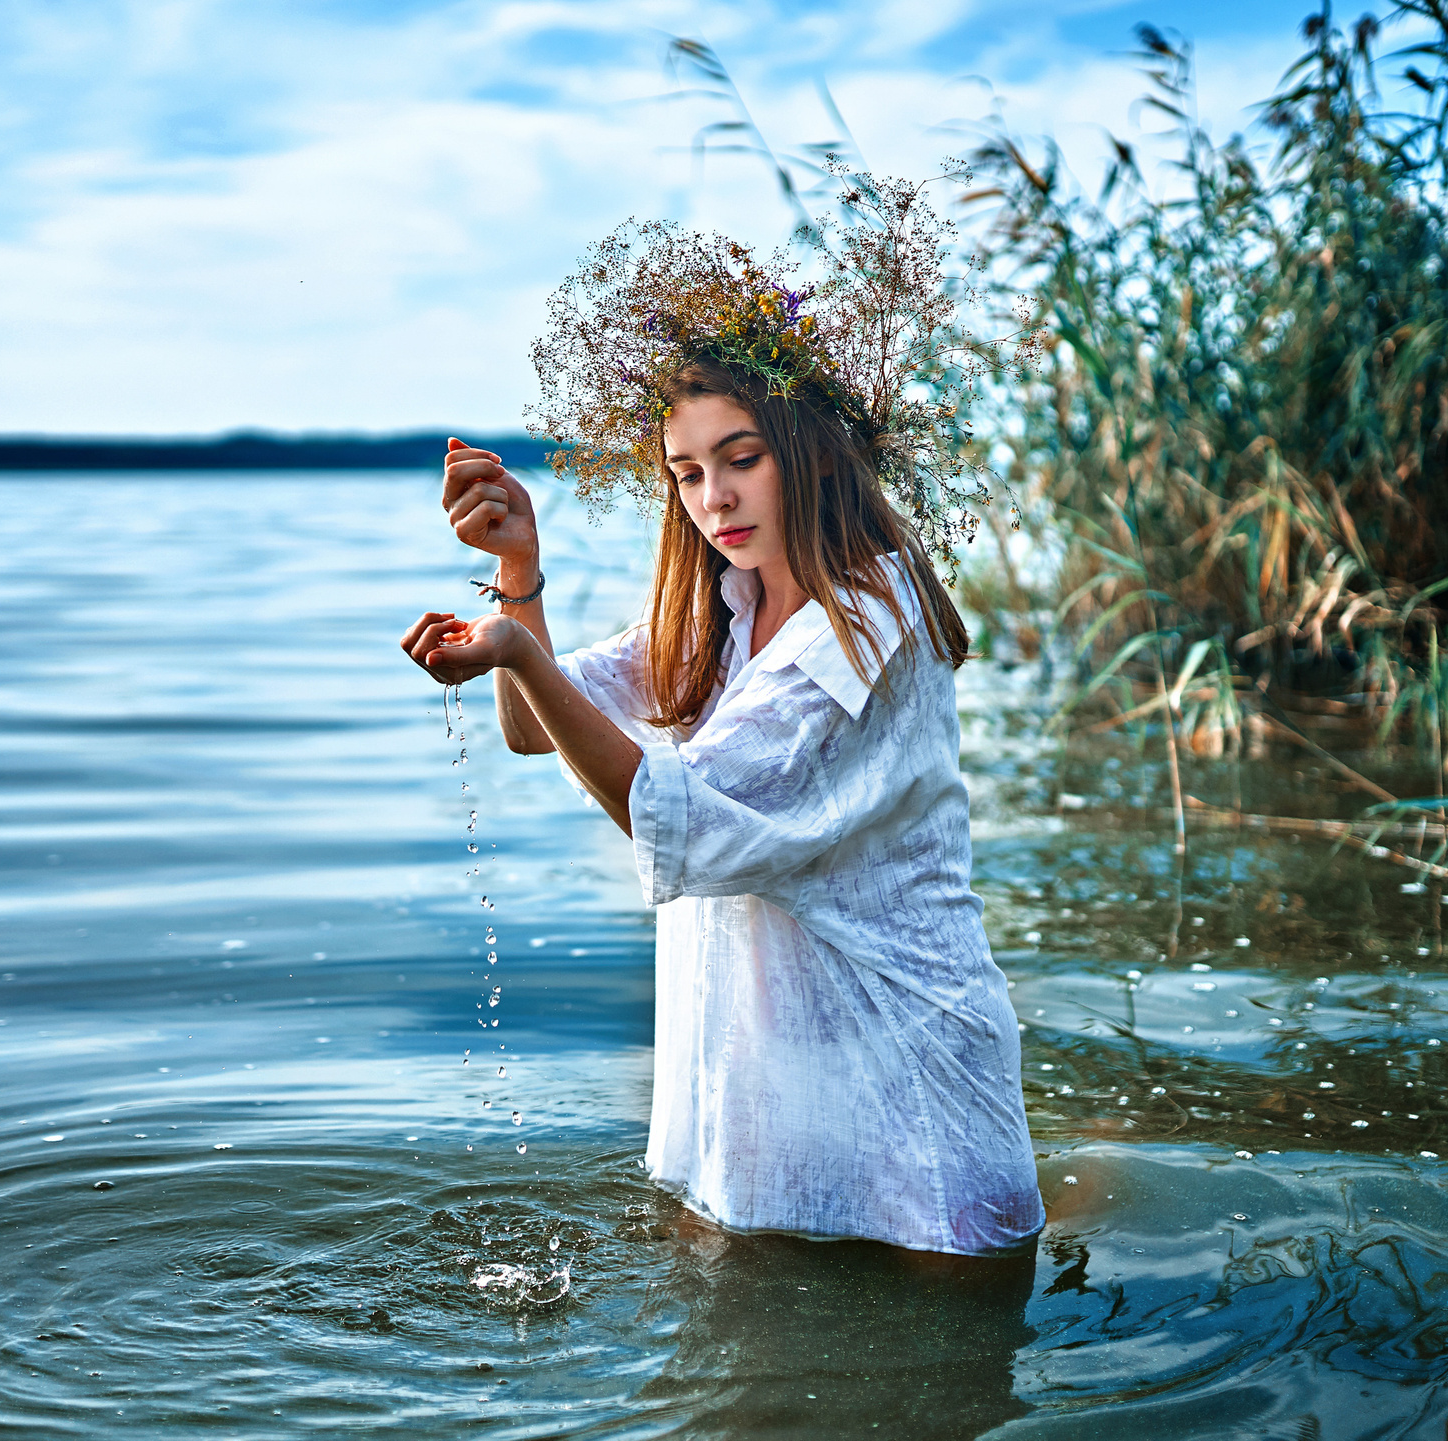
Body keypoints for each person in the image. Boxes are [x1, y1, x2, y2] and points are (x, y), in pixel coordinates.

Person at [394, 185, 1045, 1254]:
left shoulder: (869, 617)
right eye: (687, 472)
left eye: (741, 456)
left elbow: (684, 820)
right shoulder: (729, 611)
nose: (715, 498)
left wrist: (512, 649)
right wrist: (518, 574)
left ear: (811, 448)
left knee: (936, 1372)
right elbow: (532, 725)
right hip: (779, 1096)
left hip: (909, 1090)